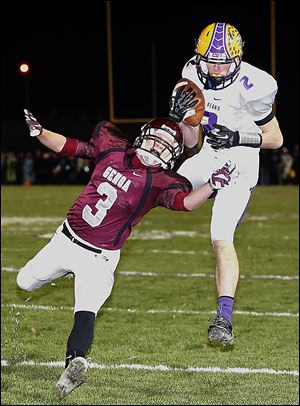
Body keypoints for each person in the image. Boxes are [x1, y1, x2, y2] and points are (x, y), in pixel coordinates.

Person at [17, 109, 234, 399]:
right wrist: (41, 132)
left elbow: (184, 203)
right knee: (24, 282)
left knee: (86, 312)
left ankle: (74, 363)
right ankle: (66, 274)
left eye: (164, 146)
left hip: (100, 258)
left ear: (172, 154)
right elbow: (71, 146)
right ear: (142, 136)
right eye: (154, 141)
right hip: (65, 241)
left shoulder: (160, 182)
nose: (156, 149)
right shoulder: (112, 150)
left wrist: (210, 185)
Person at [168, 22, 283, 347]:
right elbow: (192, 140)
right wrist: (180, 122)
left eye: (223, 61)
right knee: (156, 187)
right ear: (198, 55)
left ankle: (224, 319)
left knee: (220, 236)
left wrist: (237, 136)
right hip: (208, 154)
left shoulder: (256, 84)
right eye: (210, 60)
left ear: (238, 57)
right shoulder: (189, 72)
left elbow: (275, 139)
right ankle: (93, 245)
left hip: (240, 162)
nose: (216, 68)